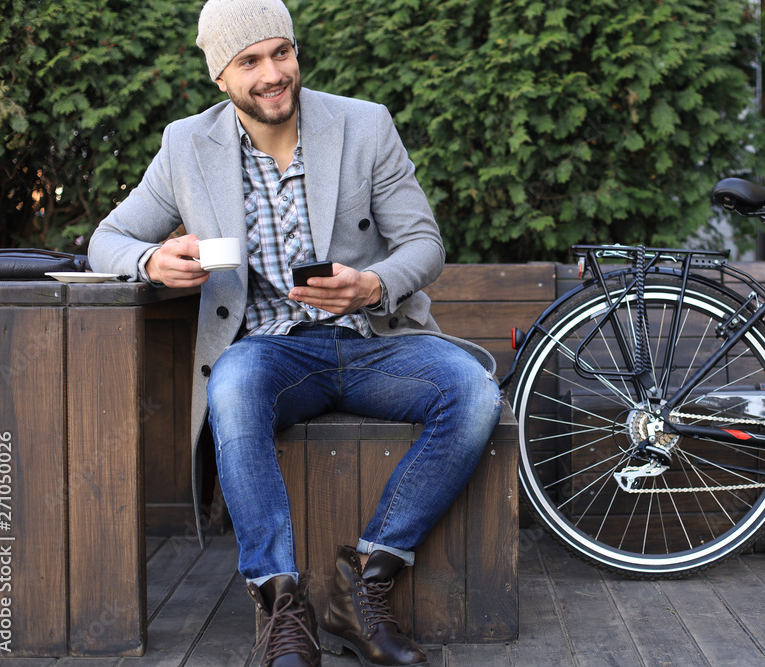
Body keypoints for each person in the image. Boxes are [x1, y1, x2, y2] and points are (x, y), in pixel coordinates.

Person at [88, 1, 503, 665]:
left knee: (476, 393)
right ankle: (283, 605)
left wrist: (373, 285)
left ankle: (361, 584)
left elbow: (424, 243)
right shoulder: (186, 146)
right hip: (272, 353)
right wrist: (151, 261)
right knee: (232, 386)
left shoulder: (365, 126)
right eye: (250, 61)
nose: (273, 72)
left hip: (376, 341)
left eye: (281, 52)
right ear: (219, 76)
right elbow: (105, 240)